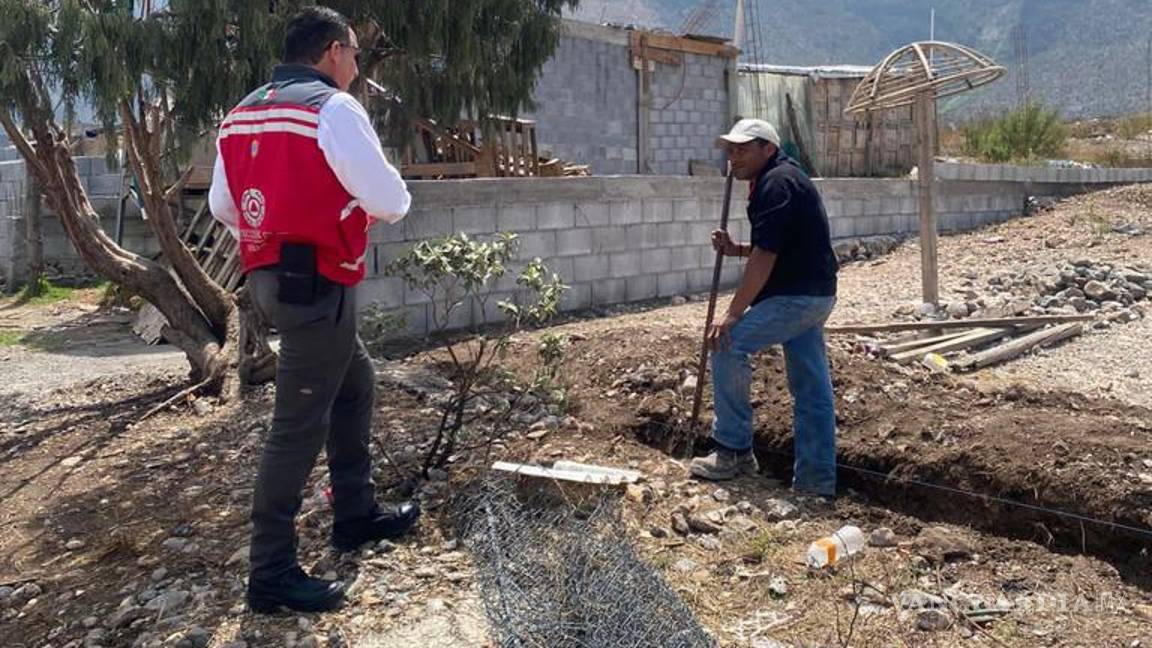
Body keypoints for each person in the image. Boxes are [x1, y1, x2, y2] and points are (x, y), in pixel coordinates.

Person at [209, 6, 419, 614]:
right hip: (321, 283)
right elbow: (387, 198)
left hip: (271, 279)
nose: (355, 66)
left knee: (356, 384)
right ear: (332, 51)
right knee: (295, 426)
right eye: (353, 54)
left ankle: (355, 512)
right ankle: (270, 571)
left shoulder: (241, 112)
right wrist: (381, 201)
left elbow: (225, 205)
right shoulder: (332, 109)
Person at [689, 118, 840, 498]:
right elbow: (775, 245)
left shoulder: (776, 184)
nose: (733, 157)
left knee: (726, 343)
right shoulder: (778, 179)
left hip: (797, 297)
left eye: (742, 149)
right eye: (730, 150)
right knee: (811, 390)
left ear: (767, 149)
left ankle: (734, 451)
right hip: (814, 294)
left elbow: (768, 254)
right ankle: (816, 483)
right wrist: (737, 249)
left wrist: (732, 313)